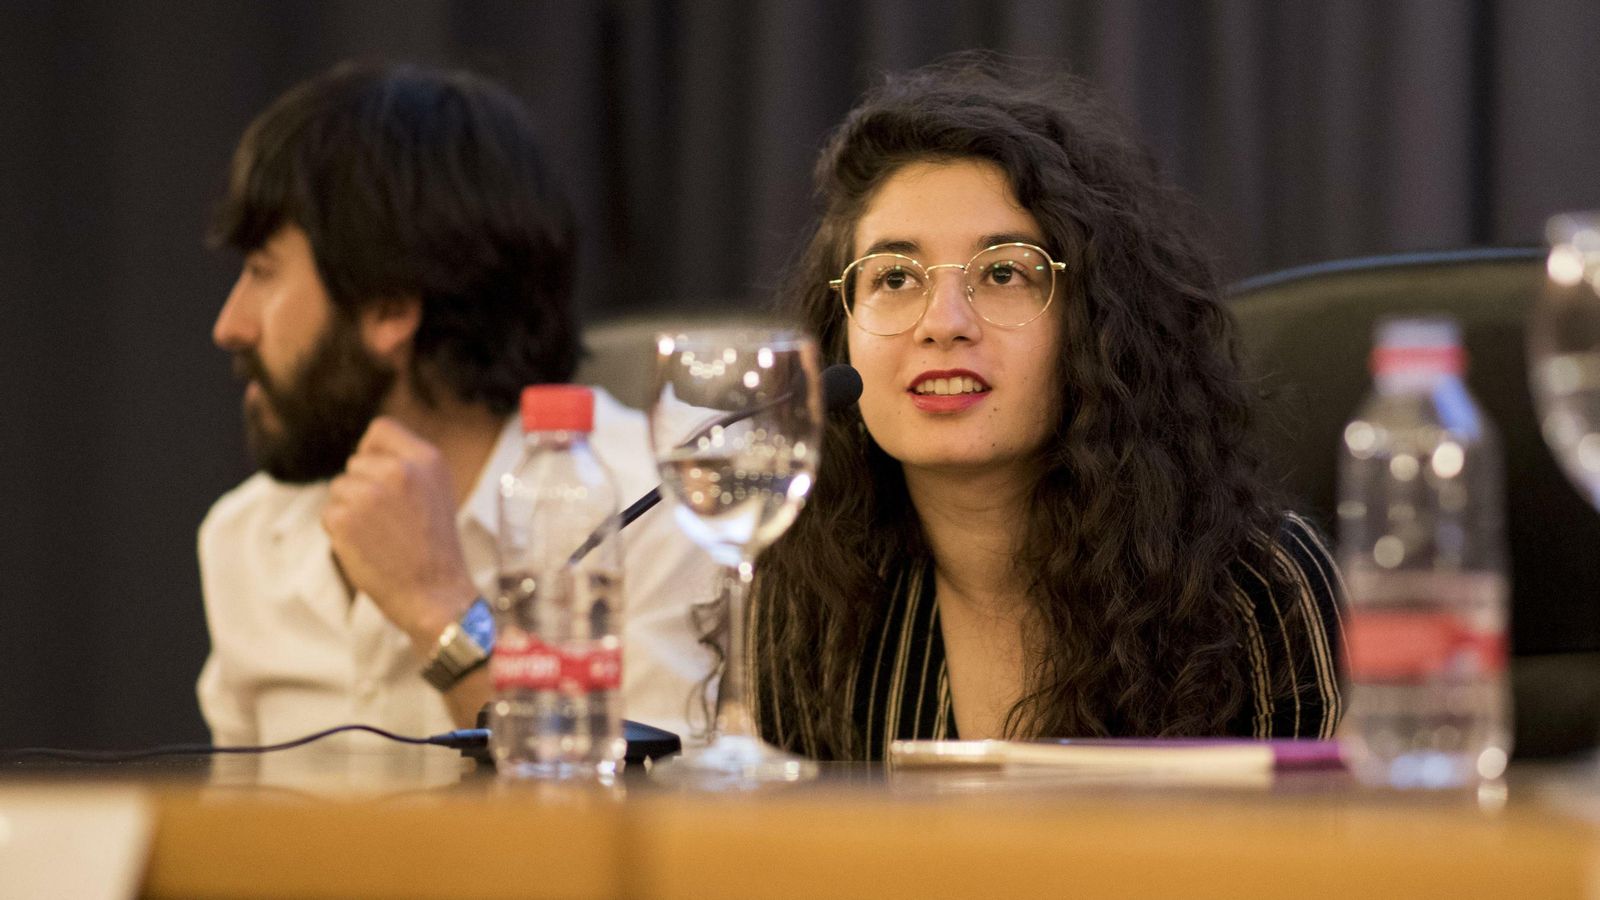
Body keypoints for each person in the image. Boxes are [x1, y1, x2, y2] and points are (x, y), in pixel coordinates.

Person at [747, 56, 1344, 761]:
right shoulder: (807, 585)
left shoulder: (1255, 586)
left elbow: (1320, 865)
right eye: (895, 277)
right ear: (840, 329)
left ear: (1096, 325)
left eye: (1003, 273)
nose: (943, 322)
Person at [198, 62, 714, 747]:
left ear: (388, 307)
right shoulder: (244, 535)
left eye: (262, 272)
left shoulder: (661, 506)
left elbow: (658, 822)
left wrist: (439, 608)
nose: (229, 324)